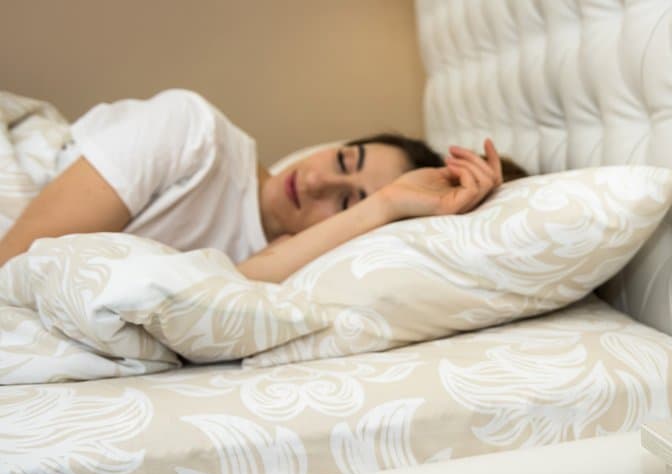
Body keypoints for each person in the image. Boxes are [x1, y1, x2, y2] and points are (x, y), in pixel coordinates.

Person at [0, 89, 512, 282]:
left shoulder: (289, 270)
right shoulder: (194, 132)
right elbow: (17, 263)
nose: (315, 180)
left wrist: (388, 204)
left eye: (346, 200)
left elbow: (220, 292)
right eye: (342, 157)